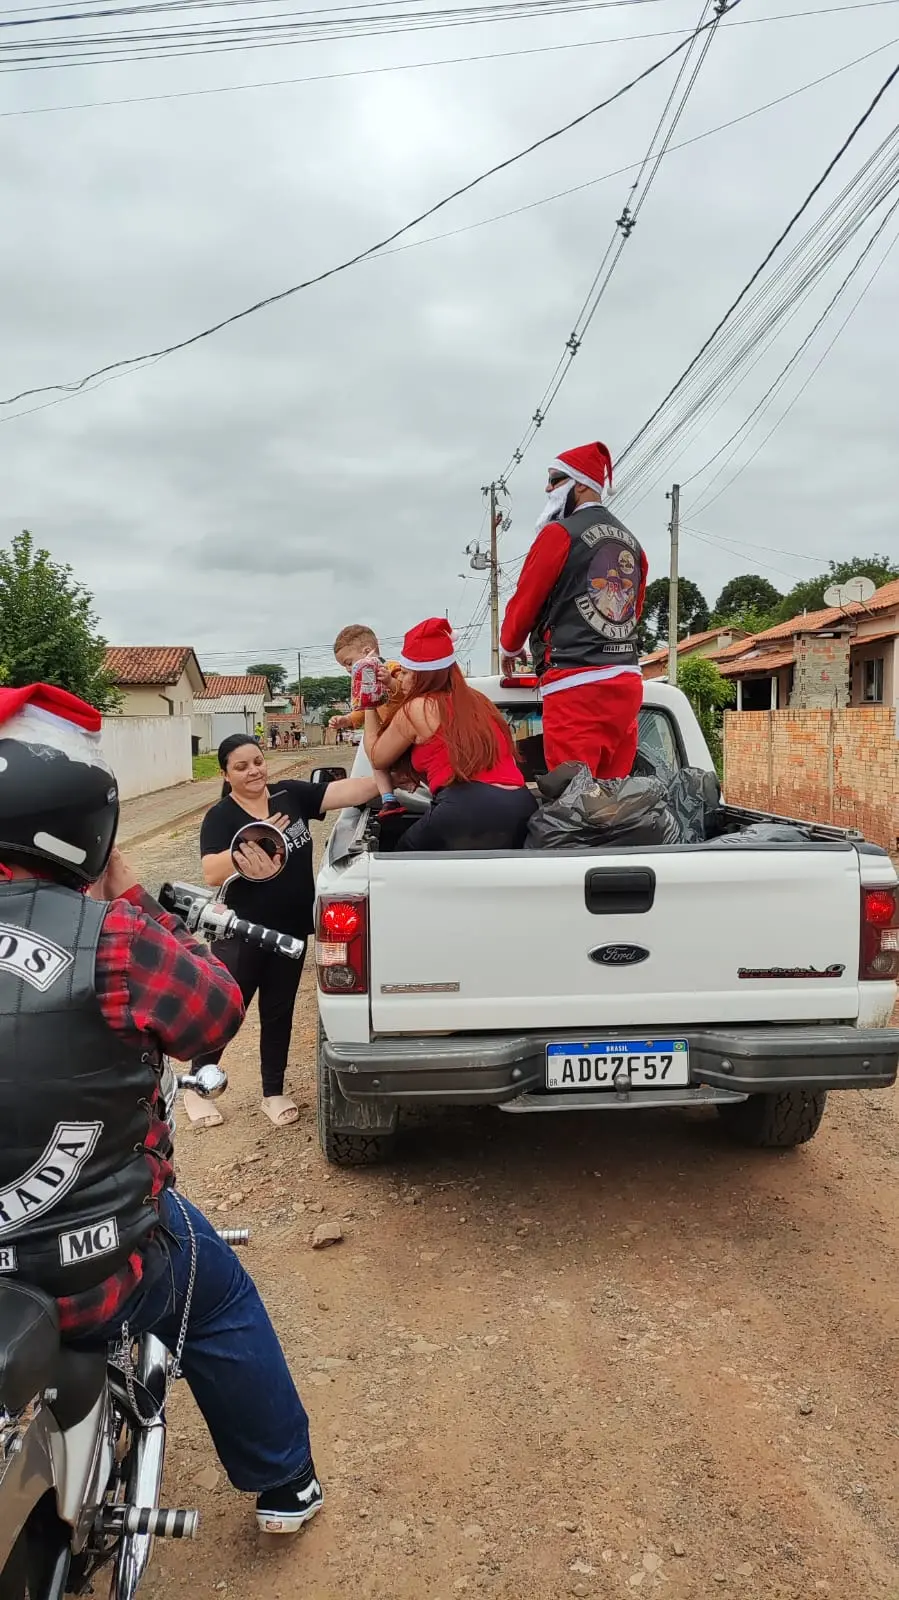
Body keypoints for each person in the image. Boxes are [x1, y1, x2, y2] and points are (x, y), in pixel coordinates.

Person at [0, 683, 324, 1535]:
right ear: (86, 830)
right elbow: (212, 1014)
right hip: (91, 1267)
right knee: (216, 1295)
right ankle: (284, 1486)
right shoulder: (108, 934)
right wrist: (130, 899)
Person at [191, 735, 379, 1129]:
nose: (254, 771)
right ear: (226, 773)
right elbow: (210, 872)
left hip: (292, 929)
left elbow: (353, 789)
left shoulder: (289, 797)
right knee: (228, 1010)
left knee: (280, 1012)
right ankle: (197, 1087)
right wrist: (254, 839)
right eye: (241, 767)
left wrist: (397, 769)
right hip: (242, 933)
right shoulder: (222, 815)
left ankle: (272, 1092)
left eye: (257, 761)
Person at [500, 440, 648, 778]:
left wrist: (509, 646)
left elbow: (526, 599)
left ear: (580, 484)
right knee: (613, 795)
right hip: (626, 680)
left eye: (555, 480)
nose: (547, 488)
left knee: (574, 800)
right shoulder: (633, 543)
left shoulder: (558, 535)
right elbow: (632, 610)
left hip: (575, 684)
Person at [365, 617, 536, 851]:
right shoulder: (479, 701)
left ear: (422, 675)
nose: (400, 679)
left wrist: (367, 704)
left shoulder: (418, 708)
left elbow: (377, 757)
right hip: (522, 807)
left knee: (402, 855)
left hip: (465, 807)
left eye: (404, 672)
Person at [330, 625, 405, 816]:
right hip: (384, 738)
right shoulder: (360, 682)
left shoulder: (390, 668)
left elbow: (405, 691)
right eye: (344, 666)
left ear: (366, 652)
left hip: (402, 732)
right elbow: (361, 711)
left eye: (348, 662)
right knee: (376, 762)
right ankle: (388, 798)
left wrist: (389, 681)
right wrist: (345, 720)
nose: (348, 669)